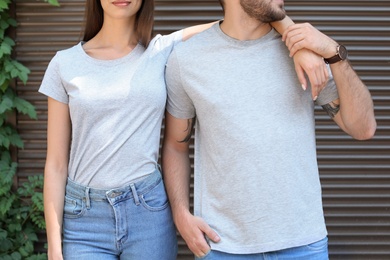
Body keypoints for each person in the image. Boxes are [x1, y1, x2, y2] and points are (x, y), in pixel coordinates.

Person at [38, 0, 324, 259]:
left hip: (147, 212)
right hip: (85, 219)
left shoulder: (161, 50)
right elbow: (56, 164)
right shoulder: (65, 63)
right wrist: (54, 246)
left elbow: (243, 15)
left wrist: (294, 36)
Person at [162, 0, 377, 259]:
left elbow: (363, 128)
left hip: (303, 245)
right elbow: (176, 145)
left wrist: (334, 54)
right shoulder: (187, 59)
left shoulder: (304, 52)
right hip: (222, 246)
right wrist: (180, 214)